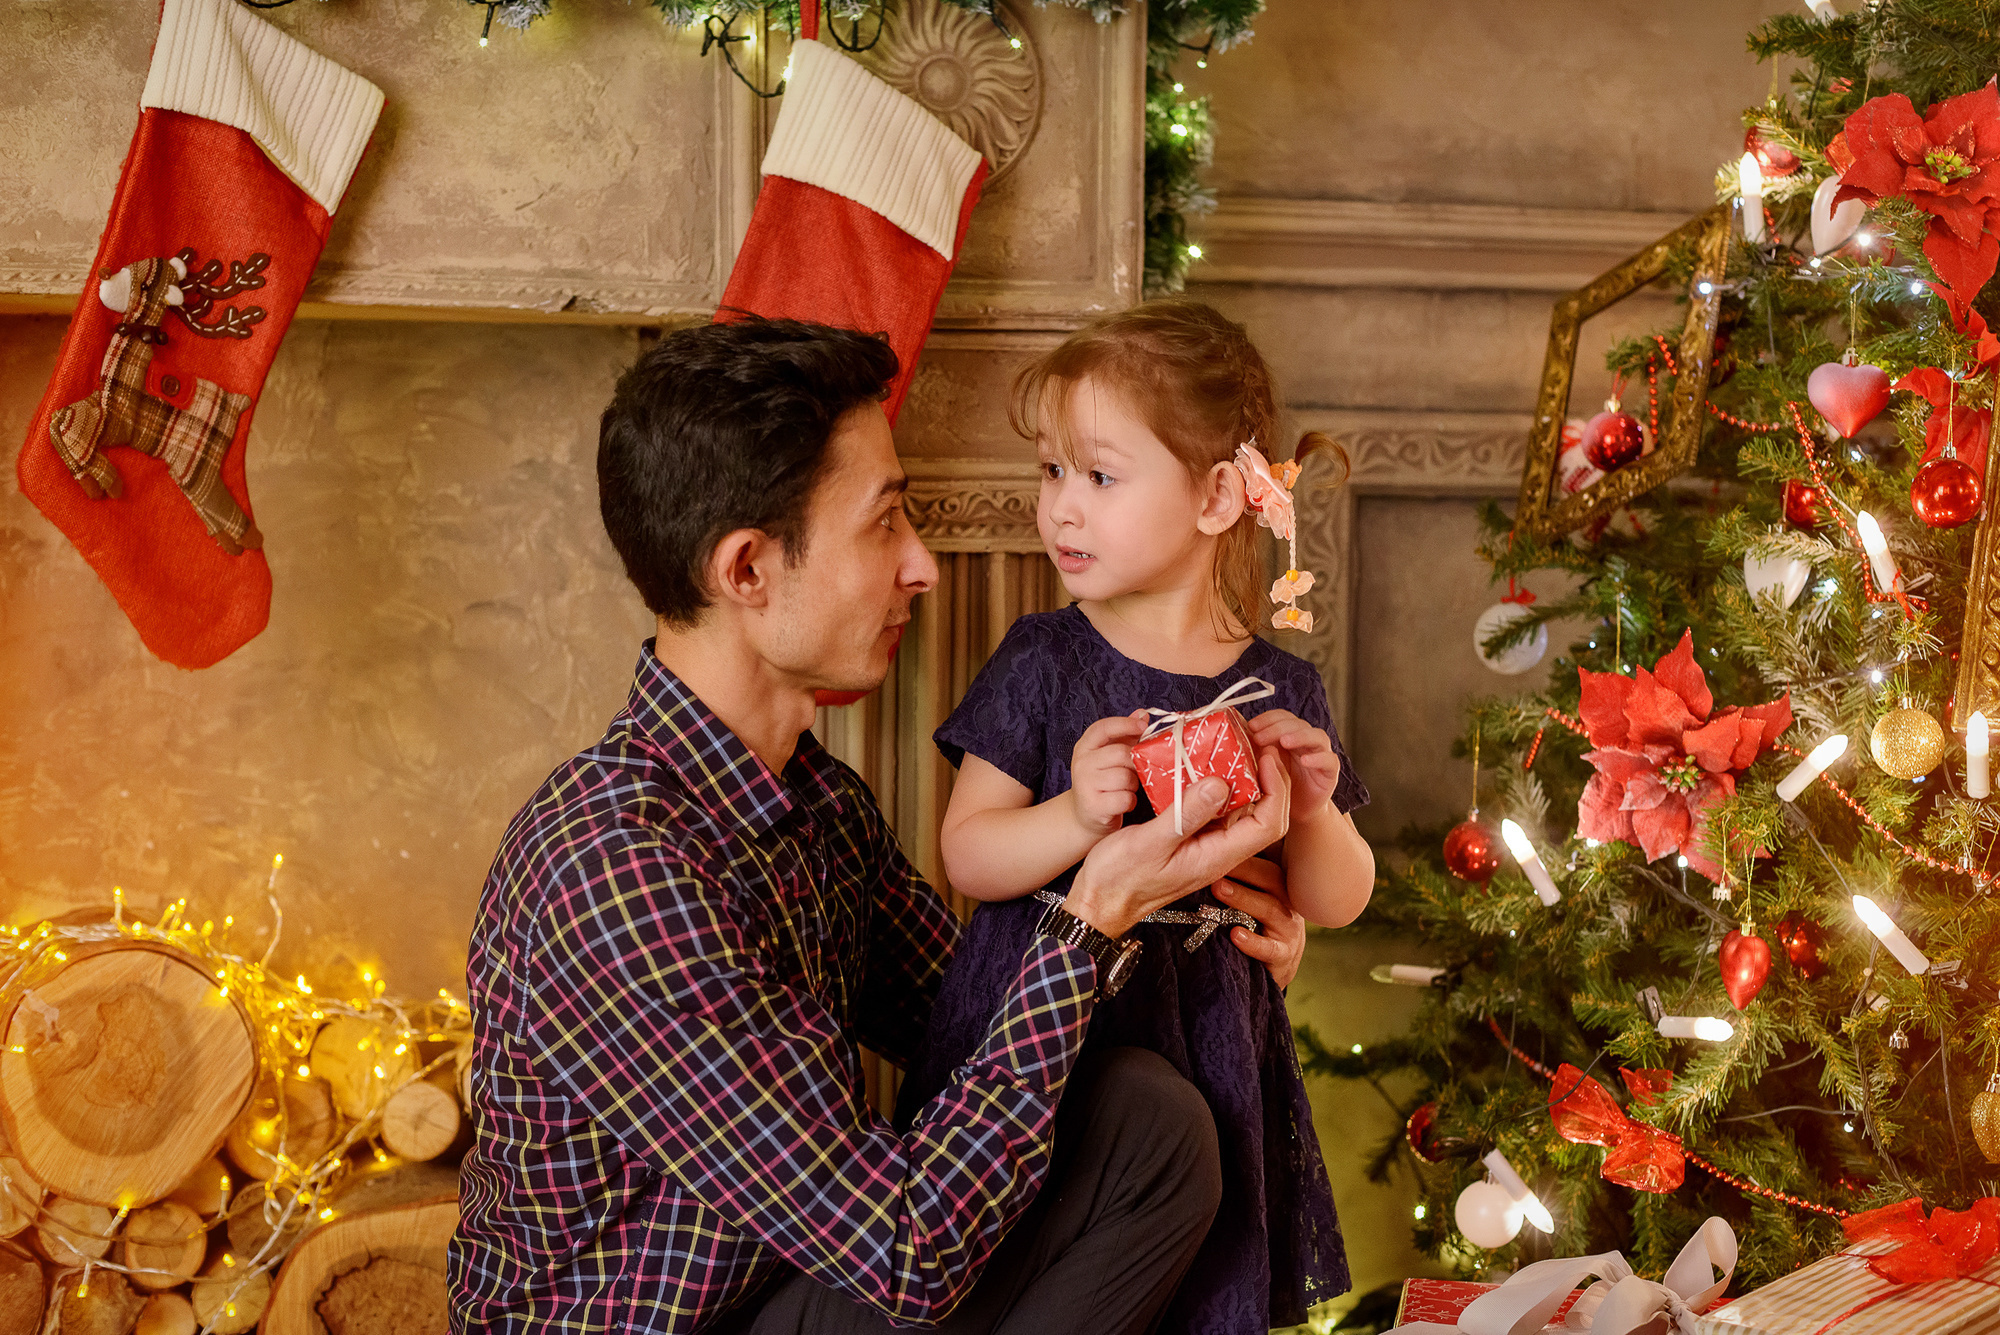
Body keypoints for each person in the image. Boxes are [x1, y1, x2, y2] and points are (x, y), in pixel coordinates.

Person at [446, 316, 1311, 1335]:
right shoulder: (614, 869)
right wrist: (1095, 911)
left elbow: (987, 1034)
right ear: (746, 571)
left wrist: (1208, 945)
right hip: (721, 1317)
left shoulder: (816, 809)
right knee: (964, 1222)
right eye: (884, 524)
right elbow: (907, 1250)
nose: (923, 568)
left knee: (1142, 1122)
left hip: (794, 1298)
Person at [897, 298, 1375, 1335]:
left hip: (1211, 1040)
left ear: (1213, 497)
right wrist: (1075, 816)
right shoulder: (1043, 659)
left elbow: (1331, 902)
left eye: (1099, 477)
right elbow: (968, 853)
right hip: (1047, 1042)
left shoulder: (1276, 694)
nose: (1062, 509)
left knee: (1197, 1291)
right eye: (1050, 473)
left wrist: (1316, 809)